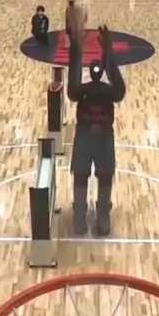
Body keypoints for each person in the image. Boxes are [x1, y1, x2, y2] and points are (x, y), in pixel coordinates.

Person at [67, 25, 126, 237]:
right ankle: (102, 216)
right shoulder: (109, 92)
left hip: (84, 138)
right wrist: (107, 50)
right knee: (105, 176)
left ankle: (79, 217)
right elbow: (120, 89)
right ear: (102, 73)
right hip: (103, 139)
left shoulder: (81, 91)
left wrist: (77, 47)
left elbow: (71, 88)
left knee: (80, 175)